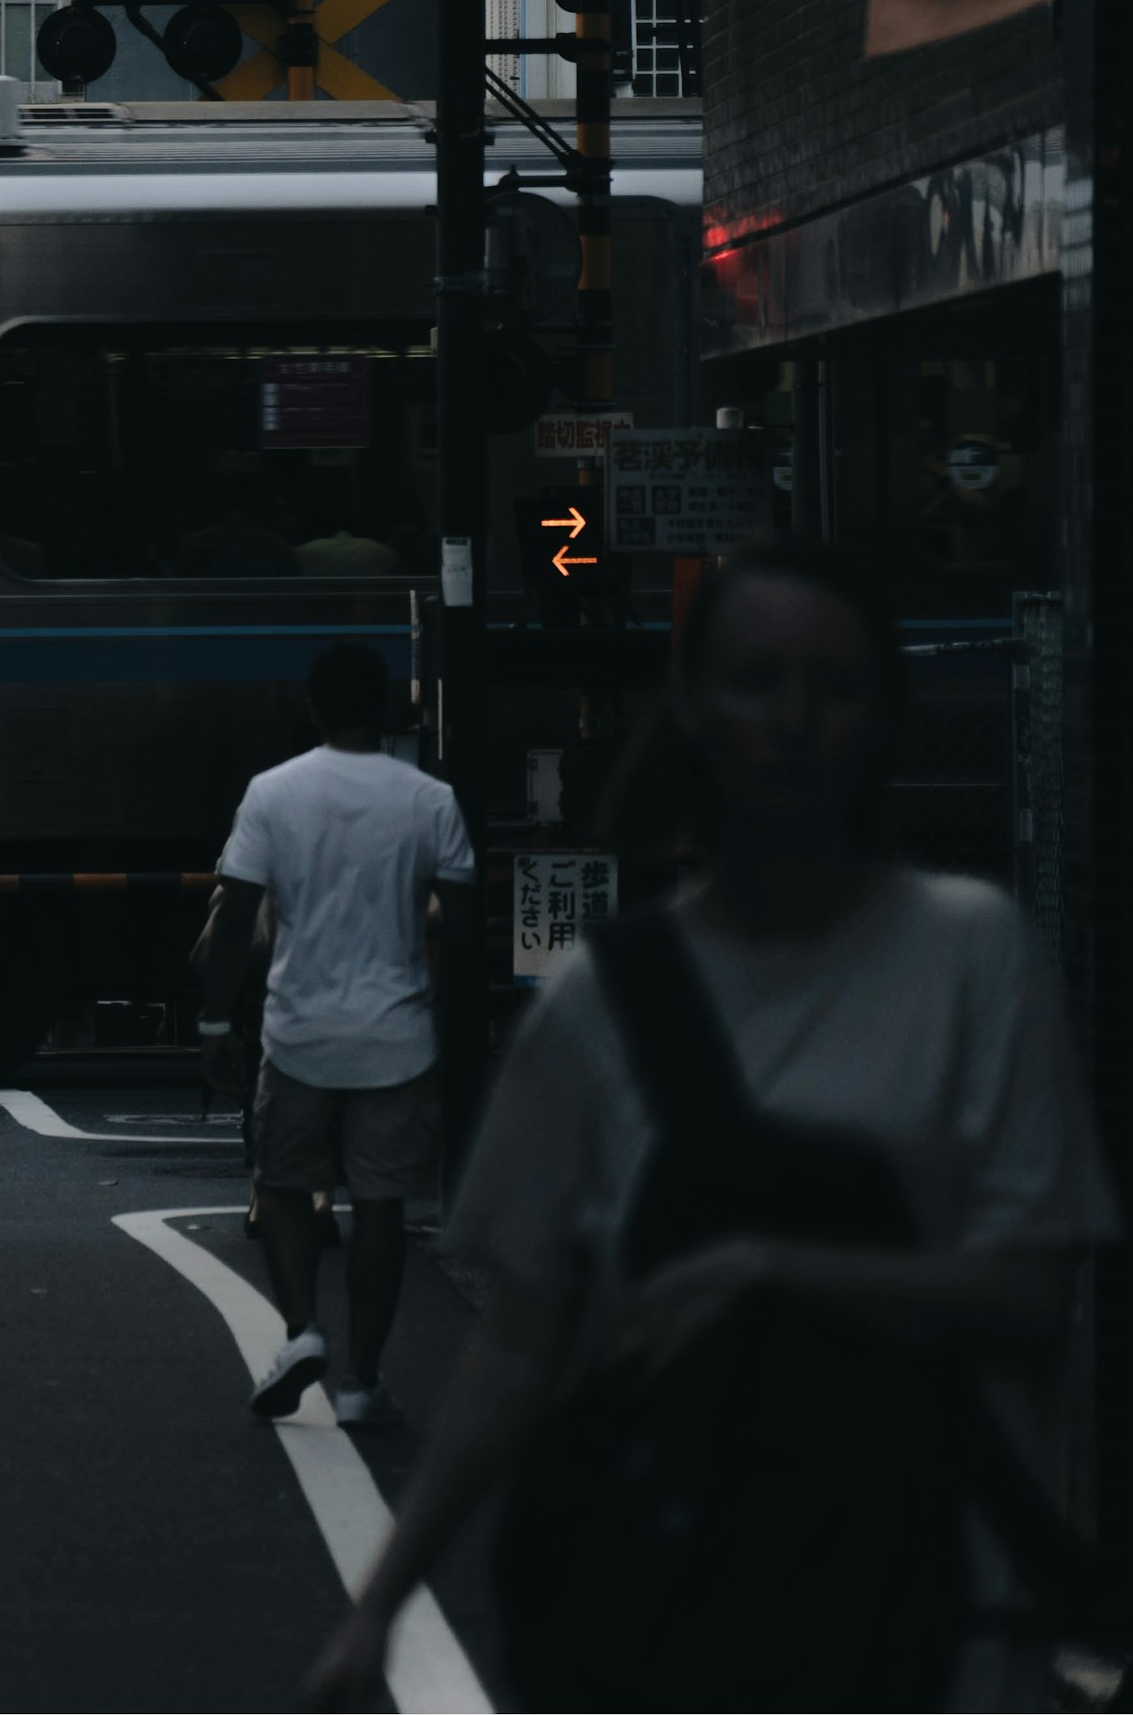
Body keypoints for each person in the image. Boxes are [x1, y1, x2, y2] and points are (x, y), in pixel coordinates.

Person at [303, 546, 1119, 1710]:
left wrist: (769, 1268)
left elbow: (1034, 1288)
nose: (794, 718)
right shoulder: (604, 997)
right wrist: (377, 1609)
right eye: (756, 680)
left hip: (934, 1621)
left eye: (834, 687)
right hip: (673, 1604)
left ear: (884, 716)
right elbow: (522, 1343)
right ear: (693, 710)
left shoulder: (972, 953)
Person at [204, 640, 473, 1426]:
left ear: (313, 707)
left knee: (285, 1187)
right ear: (389, 709)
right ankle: (361, 1381)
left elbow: (231, 920)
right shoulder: (429, 799)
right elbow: (459, 929)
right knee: (381, 1206)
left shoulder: (272, 792)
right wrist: (456, 1028)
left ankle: (301, 1330)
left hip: (297, 1034)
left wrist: (216, 1021)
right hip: (398, 1039)